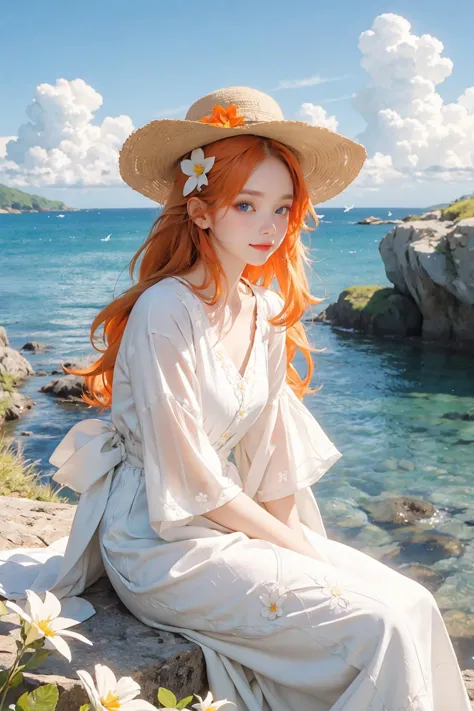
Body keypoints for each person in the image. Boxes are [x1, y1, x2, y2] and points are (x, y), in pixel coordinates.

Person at [0, 86, 470, 711]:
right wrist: (299, 554)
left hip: (233, 526)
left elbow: (269, 445)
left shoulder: (263, 305)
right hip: (159, 542)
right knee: (375, 624)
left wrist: (300, 545)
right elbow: (189, 473)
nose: (270, 228)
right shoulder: (165, 311)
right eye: (246, 205)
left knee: (411, 601)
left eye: (282, 208)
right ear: (200, 211)